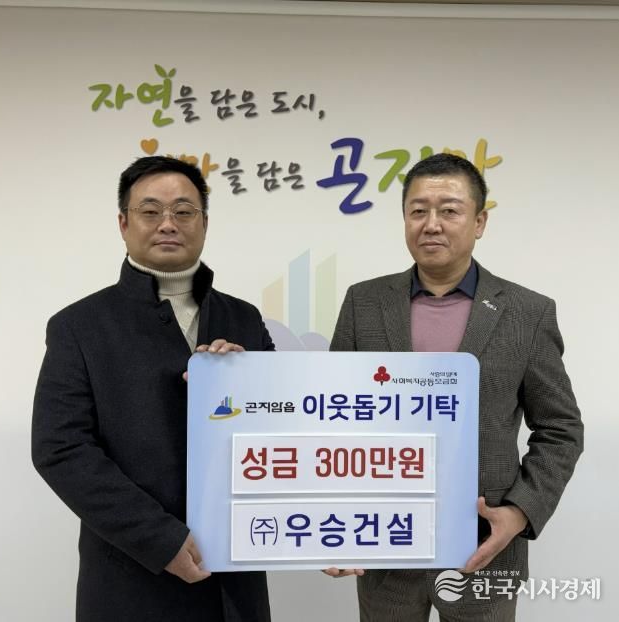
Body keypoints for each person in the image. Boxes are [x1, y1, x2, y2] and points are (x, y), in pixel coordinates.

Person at [328, 153, 583, 621]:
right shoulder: (364, 303)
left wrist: (520, 512)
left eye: (449, 210)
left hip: (483, 547)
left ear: (479, 222)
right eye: (418, 210)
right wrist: (330, 526)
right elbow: (332, 419)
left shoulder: (527, 312)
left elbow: (561, 428)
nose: (432, 224)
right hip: (383, 544)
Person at [32, 156, 273, 622]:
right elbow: (60, 448)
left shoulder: (243, 318)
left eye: (184, 211)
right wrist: (160, 539)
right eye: (150, 211)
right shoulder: (79, 326)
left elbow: (283, 429)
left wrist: (249, 383)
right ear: (123, 223)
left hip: (235, 584)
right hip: (131, 579)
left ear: (204, 223)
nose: (168, 223)